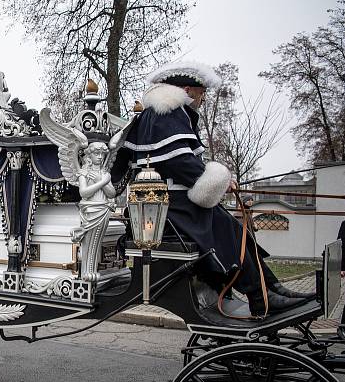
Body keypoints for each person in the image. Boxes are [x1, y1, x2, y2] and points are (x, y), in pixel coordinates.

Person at [112, 61, 314, 317]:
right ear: (187, 90)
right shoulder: (165, 113)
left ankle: (271, 288)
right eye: (201, 92)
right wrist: (215, 178)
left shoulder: (168, 113)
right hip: (168, 208)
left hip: (174, 204)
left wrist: (218, 180)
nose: (203, 98)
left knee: (234, 230)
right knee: (227, 229)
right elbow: (178, 161)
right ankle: (262, 296)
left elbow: (183, 159)